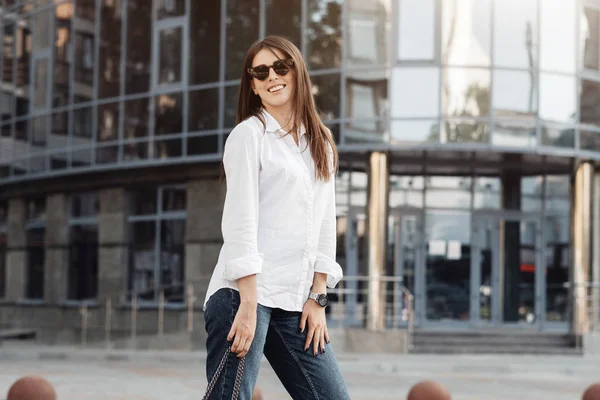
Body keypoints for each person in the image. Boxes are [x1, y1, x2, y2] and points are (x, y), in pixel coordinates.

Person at [202, 35, 350, 400]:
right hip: (244, 295)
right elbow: (240, 223)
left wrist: (318, 299)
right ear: (252, 85)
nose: (272, 76)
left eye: (281, 67)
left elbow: (325, 225)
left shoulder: (321, 141)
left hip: (296, 302)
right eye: (261, 71)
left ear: (297, 73)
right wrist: (248, 304)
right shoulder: (248, 136)